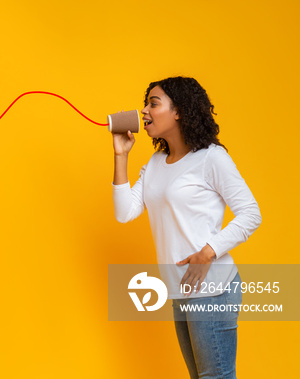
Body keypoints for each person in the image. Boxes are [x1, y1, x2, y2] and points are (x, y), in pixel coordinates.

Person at [111, 76, 261, 378]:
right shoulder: (155, 163)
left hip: (213, 288)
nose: (144, 111)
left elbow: (251, 213)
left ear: (179, 111)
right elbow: (124, 212)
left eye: (153, 103)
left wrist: (208, 253)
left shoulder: (211, 159)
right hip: (180, 288)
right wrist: (120, 155)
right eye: (146, 104)